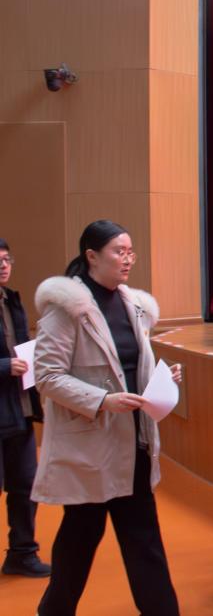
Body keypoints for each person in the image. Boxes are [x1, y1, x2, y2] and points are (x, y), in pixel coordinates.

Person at [32, 220, 182, 615]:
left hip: (134, 443)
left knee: (145, 542)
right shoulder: (66, 308)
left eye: (131, 251)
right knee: (79, 541)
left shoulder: (133, 304)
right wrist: (102, 400)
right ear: (92, 256)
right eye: (119, 251)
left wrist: (159, 379)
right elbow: (47, 376)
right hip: (91, 448)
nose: (128, 259)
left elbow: (129, 367)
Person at [0, 238, 48, 577]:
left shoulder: (11, 299)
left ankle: (22, 553)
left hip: (19, 409)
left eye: (6, 259)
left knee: (27, 486)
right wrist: (4, 366)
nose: (3, 266)